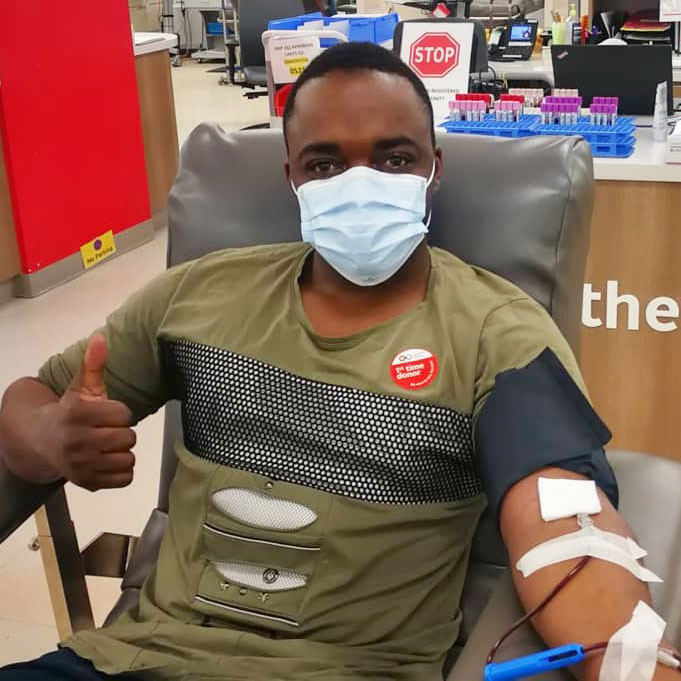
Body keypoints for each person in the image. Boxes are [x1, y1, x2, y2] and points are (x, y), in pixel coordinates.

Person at [0, 42, 676, 681]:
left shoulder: (495, 332)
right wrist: (53, 436)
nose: (360, 184)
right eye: (324, 164)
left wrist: (631, 662)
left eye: (393, 158)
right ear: (291, 175)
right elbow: (30, 400)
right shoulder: (197, 296)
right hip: (135, 658)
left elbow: (565, 528)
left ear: (432, 169)